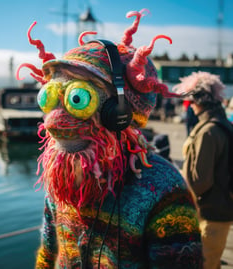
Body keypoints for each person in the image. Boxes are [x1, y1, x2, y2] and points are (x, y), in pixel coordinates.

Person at [17, 9, 203, 268]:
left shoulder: (164, 189)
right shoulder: (59, 177)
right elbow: (49, 253)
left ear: (120, 114)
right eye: (49, 97)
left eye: (78, 98)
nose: (52, 121)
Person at [173, 71, 233, 269]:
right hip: (219, 211)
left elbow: (200, 182)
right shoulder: (221, 125)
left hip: (209, 215)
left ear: (198, 101)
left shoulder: (208, 131)